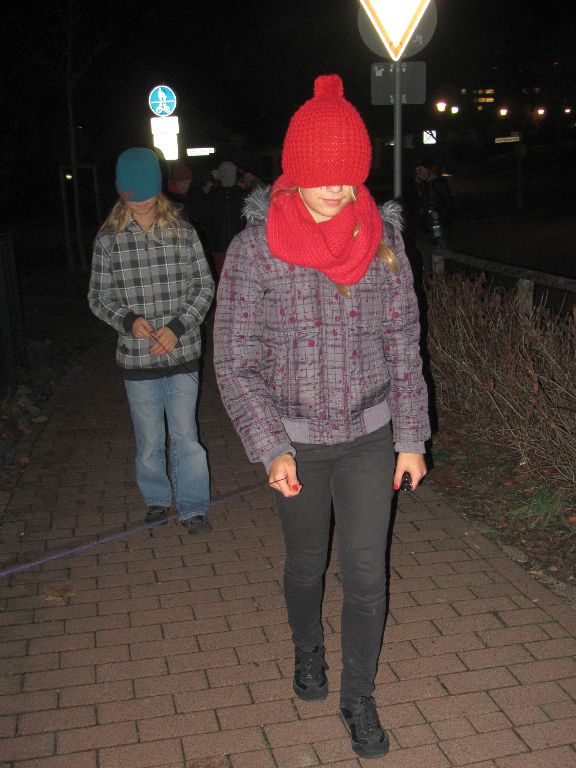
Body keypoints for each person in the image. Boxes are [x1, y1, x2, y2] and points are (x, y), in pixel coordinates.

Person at [213, 76, 430, 759]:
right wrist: (270, 445)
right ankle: (307, 647)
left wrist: (411, 437)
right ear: (295, 169)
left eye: (348, 174)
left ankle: (357, 696)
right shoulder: (255, 251)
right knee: (307, 565)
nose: (337, 188)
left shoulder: (383, 244)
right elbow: (234, 359)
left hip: (370, 437)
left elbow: (404, 344)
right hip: (297, 444)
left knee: (366, 572)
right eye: (322, 174)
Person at [88, 148, 215, 533]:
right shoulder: (109, 240)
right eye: (132, 196)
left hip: (181, 354)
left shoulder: (183, 233)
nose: (140, 203)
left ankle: (194, 506)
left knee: (186, 435)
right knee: (149, 439)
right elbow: (98, 297)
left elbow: (204, 287)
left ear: (158, 189)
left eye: (146, 195)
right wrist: (128, 321)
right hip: (137, 359)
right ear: (120, 192)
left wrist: (177, 327)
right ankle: (157, 499)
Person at [414, 160, 452, 246]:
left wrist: (438, 211)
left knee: (438, 241)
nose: (419, 171)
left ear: (427, 169)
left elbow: (446, 201)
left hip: (436, 221)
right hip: (422, 222)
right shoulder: (416, 185)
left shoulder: (438, 183)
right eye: (417, 169)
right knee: (423, 245)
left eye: (421, 168)